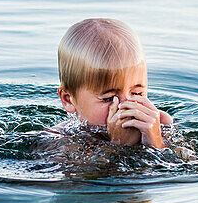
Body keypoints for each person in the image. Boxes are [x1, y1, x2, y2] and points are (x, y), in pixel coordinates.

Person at [54, 17, 172, 149]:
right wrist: (119, 145)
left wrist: (157, 143)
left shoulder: (161, 124)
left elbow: (191, 165)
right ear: (68, 100)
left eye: (137, 93)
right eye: (109, 98)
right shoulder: (60, 142)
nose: (126, 106)